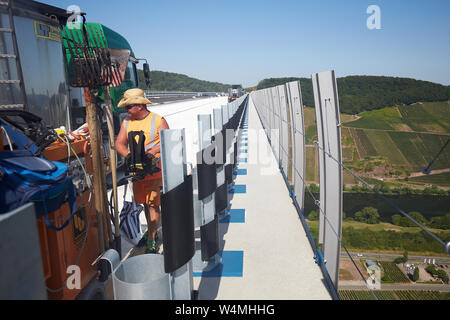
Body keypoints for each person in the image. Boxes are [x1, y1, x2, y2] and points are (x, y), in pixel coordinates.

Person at [115, 88, 169, 253]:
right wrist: (129, 156)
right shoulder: (127, 122)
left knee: (153, 205)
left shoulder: (158, 120)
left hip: (155, 171)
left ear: (139, 105)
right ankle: (152, 232)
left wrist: (152, 153)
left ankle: (152, 238)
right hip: (137, 173)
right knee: (145, 203)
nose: (126, 110)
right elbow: (119, 143)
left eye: (129, 107)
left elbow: (169, 140)